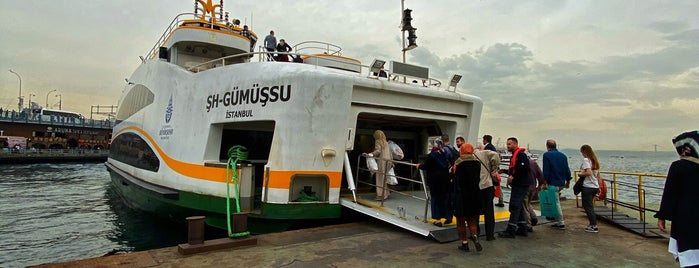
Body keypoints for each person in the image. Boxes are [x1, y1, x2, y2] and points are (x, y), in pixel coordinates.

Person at [655, 130, 699, 268]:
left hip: (686, 219)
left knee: (688, 256)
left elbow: (670, 194)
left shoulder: (678, 166)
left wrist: (662, 216)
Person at [497, 137, 532, 238]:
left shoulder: (521, 155)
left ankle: (511, 230)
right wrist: (504, 171)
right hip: (519, 183)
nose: (508, 146)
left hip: (521, 184)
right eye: (507, 144)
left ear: (516, 144)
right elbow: (516, 170)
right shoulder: (515, 155)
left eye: (510, 144)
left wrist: (513, 176)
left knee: (514, 206)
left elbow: (524, 168)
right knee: (519, 206)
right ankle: (522, 227)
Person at [452, 143, 483, 252]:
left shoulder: (459, 164)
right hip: (474, 195)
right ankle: (474, 236)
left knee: (460, 221)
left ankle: (464, 243)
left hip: (461, 196)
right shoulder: (477, 164)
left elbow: (457, 180)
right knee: (471, 219)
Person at [417, 139, 453, 226]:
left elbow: (426, 166)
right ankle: (448, 217)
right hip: (446, 180)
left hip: (435, 181)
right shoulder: (446, 153)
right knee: (446, 198)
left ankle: (438, 220)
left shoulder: (432, 155)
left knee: (436, 199)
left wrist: (419, 166)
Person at [542, 139, 572, 229]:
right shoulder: (563, 156)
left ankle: (560, 222)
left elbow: (546, 170)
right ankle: (555, 218)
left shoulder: (546, 155)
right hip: (561, 182)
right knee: (555, 200)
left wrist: (545, 182)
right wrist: (568, 180)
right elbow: (567, 169)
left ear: (547, 146)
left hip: (553, 182)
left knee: (555, 202)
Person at [473, 143, 501, 241]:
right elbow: (495, 155)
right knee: (489, 211)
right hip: (487, 185)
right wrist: (494, 168)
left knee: (475, 211)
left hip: (476, 187)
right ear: (481, 147)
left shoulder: (469, 156)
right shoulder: (484, 153)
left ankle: (475, 233)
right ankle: (490, 235)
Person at [363, 130, 393, 200]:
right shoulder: (386, 142)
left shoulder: (378, 141)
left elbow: (378, 151)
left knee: (379, 178)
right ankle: (386, 194)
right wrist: (392, 162)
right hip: (388, 161)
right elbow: (390, 153)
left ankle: (380, 196)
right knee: (384, 178)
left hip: (382, 161)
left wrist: (369, 154)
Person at [578, 144, 600, 233]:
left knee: (588, 207)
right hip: (595, 186)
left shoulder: (586, 160)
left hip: (588, 186)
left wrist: (580, 174)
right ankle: (592, 224)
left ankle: (593, 225)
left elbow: (589, 172)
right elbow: (597, 175)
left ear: (584, 152)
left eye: (582, 152)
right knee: (590, 206)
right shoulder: (594, 161)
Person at [523, 157, 545, 232]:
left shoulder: (521, 163)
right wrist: (540, 185)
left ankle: (528, 224)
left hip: (525, 187)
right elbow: (540, 175)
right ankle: (533, 217)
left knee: (524, 206)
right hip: (533, 187)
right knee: (528, 203)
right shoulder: (533, 163)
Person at [483, 134, 504, 207]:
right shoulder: (492, 147)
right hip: (494, 169)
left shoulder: (488, 148)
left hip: (491, 170)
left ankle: (489, 200)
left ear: (485, 140)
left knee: (493, 184)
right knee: (496, 184)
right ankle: (501, 200)